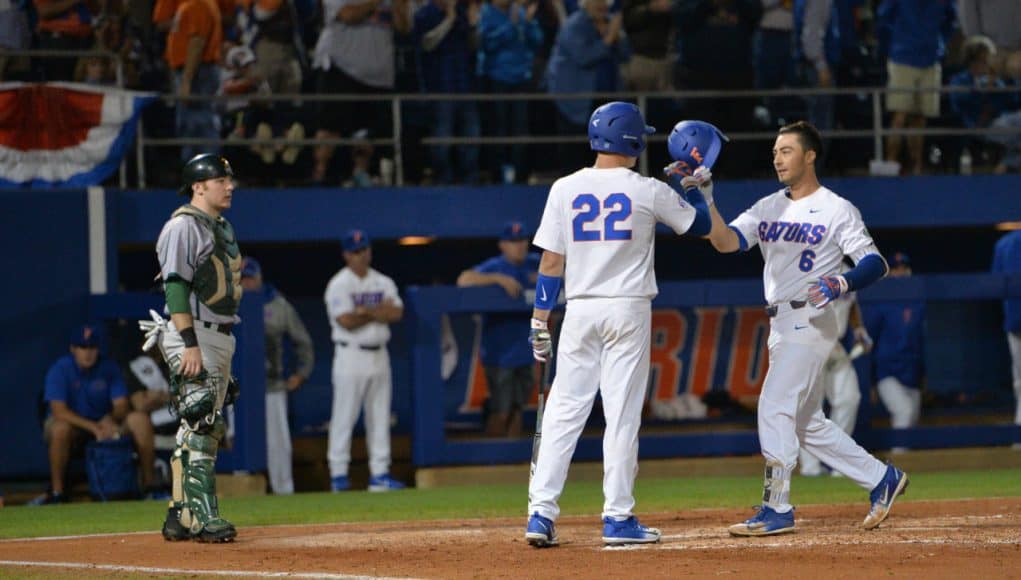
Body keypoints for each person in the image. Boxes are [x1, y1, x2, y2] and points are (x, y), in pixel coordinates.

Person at [697, 120, 908, 536]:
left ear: (810, 156)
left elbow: (875, 261)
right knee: (805, 423)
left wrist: (842, 281)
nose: (777, 158)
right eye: (775, 151)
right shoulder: (768, 206)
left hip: (813, 317)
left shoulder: (836, 207)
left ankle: (777, 507)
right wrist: (706, 198)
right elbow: (724, 242)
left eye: (787, 150)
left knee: (774, 404)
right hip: (781, 320)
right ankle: (881, 478)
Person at [524, 102, 713, 548]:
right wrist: (688, 185)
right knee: (621, 417)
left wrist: (538, 318)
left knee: (563, 414)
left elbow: (552, 261)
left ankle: (540, 515)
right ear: (632, 141)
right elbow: (702, 226)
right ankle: (617, 517)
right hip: (627, 308)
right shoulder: (647, 189)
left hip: (580, 309)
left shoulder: (564, 187)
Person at [145, 153, 243, 543]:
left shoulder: (218, 225)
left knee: (195, 426)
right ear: (199, 186)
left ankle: (179, 513)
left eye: (229, 179)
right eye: (221, 179)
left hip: (217, 333)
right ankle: (203, 518)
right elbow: (174, 285)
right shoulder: (184, 226)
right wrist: (189, 343)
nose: (229, 185)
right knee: (205, 422)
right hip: (194, 333)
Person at [37, 325, 160, 504]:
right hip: (74, 426)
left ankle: (150, 488)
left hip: (105, 423)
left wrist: (109, 418)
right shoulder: (60, 369)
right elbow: (59, 411)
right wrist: (93, 427)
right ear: (73, 349)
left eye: (92, 347)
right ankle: (58, 492)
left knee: (139, 419)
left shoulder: (108, 367)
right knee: (59, 429)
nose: (88, 353)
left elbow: (121, 405)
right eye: (83, 347)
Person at [324, 230, 406, 492]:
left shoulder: (382, 281)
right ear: (347, 255)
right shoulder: (339, 283)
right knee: (344, 415)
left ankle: (379, 474)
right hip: (350, 354)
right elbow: (345, 321)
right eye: (355, 251)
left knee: (380, 415)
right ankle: (338, 475)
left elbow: (396, 312)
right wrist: (377, 312)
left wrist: (366, 311)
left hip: (380, 353)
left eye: (364, 249)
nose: (361, 255)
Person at [456, 220, 540, 437]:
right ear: (502, 245)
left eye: (522, 240)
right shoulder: (495, 266)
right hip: (499, 353)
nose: (519, 245)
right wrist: (497, 279)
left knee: (517, 408)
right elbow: (463, 280)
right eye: (513, 241)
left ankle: (512, 458)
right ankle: (493, 458)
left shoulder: (534, 263)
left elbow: (563, 273)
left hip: (526, 350)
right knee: (499, 409)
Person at [239, 257, 314, 495]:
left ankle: (284, 491)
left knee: (278, 444)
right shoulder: (225, 304)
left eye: (250, 278)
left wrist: (301, 375)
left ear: (259, 278)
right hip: (237, 390)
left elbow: (303, 342)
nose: (246, 283)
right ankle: (241, 490)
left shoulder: (277, 304)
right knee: (236, 442)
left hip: (271, 385)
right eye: (241, 279)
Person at [876, 0, 957, 175]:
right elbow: (883, 20)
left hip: (930, 59)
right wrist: (895, 44)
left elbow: (951, 19)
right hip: (902, 58)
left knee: (920, 118)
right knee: (900, 115)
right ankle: (891, 166)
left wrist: (938, 43)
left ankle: (917, 168)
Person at [798, 285, 873, 476]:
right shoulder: (809, 266)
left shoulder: (849, 271)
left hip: (835, 344)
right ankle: (811, 468)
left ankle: (838, 462)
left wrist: (859, 330)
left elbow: (851, 303)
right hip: (808, 343)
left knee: (849, 398)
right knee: (809, 406)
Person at [864, 251, 925, 451]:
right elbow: (869, 342)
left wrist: (923, 374)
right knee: (904, 412)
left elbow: (921, 342)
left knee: (911, 421)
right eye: (896, 269)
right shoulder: (880, 304)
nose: (900, 273)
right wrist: (870, 380)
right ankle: (898, 468)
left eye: (903, 268)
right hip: (887, 372)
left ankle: (906, 468)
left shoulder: (918, 303)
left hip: (912, 373)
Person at [992, 228, 1021, 448]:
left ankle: (1017, 437)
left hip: (1014, 320)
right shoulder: (1006, 243)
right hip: (1015, 319)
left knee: (1019, 381)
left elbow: (995, 284)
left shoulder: (1004, 243)